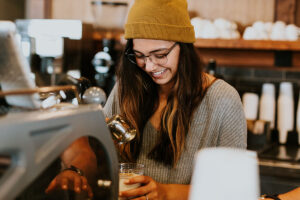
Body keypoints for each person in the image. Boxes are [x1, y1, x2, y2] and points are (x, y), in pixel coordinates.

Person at [102, 0, 247, 199]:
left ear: (184, 47)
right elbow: (100, 154)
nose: (150, 66)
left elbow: (234, 190)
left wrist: (165, 192)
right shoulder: (126, 89)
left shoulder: (223, 100)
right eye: (139, 55)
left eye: (160, 55)